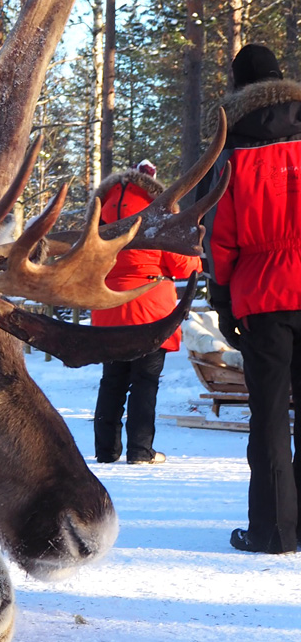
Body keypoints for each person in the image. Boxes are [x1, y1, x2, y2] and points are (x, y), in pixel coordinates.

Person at [208, 42, 301, 553]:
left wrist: (222, 302)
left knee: (268, 417)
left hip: (263, 297)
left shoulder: (232, 151)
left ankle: (272, 531)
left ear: (241, 88)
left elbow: (219, 237)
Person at [91, 161, 201, 465]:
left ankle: (105, 450)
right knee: (145, 380)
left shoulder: (101, 211)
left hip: (108, 305)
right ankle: (140, 451)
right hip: (149, 308)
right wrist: (196, 261)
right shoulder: (161, 209)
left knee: (112, 379)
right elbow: (181, 263)